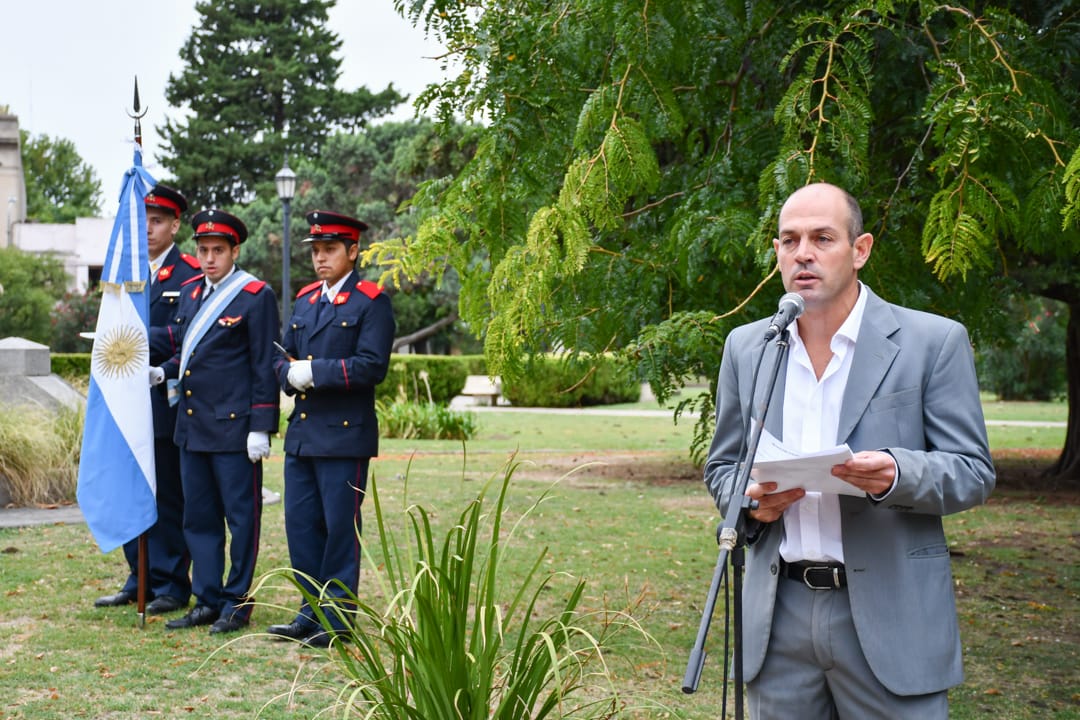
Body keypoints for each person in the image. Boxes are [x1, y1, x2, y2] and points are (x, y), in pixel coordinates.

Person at [703, 182, 995, 718]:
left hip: (892, 615)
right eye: (790, 240)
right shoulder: (747, 347)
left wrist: (897, 474)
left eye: (822, 238)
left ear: (860, 250)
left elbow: (973, 472)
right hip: (778, 617)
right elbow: (723, 465)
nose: (803, 253)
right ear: (777, 253)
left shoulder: (932, 342)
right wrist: (749, 501)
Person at [266, 210, 394, 648]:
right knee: (301, 528)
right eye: (316, 250)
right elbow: (281, 354)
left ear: (353, 251)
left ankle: (337, 619)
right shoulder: (306, 300)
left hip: (343, 435)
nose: (320, 258)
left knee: (340, 529)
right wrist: (288, 373)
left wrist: (315, 372)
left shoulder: (371, 301)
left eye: (330, 249)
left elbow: (372, 366)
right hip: (303, 434)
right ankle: (309, 611)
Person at [159, 208, 280, 635]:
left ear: (235, 252)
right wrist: (162, 372)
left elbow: (264, 364)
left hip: (234, 429)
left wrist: (261, 425)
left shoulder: (255, 295)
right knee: (198, 519)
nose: (209, 258)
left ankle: (237, 602)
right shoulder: (190, 292)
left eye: (218, 251)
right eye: (204, 250)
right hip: (193, 427)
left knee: (241, 520)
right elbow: (187, 355)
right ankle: (207, 599)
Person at [94, 184, 199, 614]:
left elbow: (187, 333)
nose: (149, 229)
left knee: (168, 496)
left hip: (164, 400)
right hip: (125, 401)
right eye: (143, 222)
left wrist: (136, 339)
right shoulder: (126, 272)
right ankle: (138, 576)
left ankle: (171, 582)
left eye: (157, 221)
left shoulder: (190, 273)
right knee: (130, 488)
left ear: (175, 225)